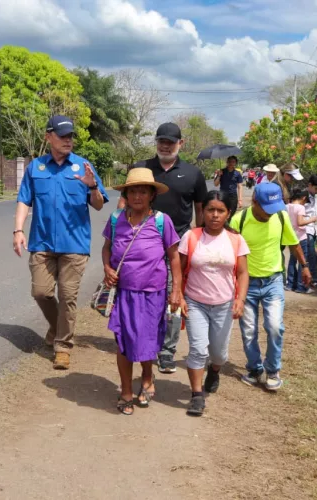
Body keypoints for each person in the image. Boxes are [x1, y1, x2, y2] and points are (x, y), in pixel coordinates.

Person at [13, 115, 108, 370]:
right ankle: (57, 328)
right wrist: (18, 230)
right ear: (49, 137)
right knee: (41, 292)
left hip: (75, 245)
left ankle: (63, 346)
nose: (68, 140)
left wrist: (92, 187)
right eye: (62, 136)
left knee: (67, 297)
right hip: (42, 242)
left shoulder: (82, 166)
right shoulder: (36, 168)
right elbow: (24, 200)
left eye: (70, 136)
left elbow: (99, 205)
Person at [117, 122, 208, 374]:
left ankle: (167, 351)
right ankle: (139, 339)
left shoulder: (193, 173)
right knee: (142, 297)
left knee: (172, 298)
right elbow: (123, 202)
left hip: (178, 245)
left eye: (170, 142)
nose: (165, 146)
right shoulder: (141, 168)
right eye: (161, 141)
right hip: (143, 244)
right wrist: (119, 229)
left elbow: (200, 208)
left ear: (181, 143)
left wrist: (199, 237)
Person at [102, 168, 182, 415]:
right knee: (123, 341)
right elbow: (106, 248)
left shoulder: (161, 221)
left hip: (152, 293)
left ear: (152, 195)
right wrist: (107, 268)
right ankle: (126, 391)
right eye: (133, 191)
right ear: (126, 195)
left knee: (147, 339)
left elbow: (174, 257)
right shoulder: (116, 219)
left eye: (143, 192)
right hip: (124, 293)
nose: (137, 196)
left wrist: (176, 291)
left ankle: (147, 377)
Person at [229, 183, 311, 391]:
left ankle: (273, 370)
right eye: (267, 209)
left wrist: (305, 266)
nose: (270, 213)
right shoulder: (239, 220)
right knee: (249, 330)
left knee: (274, 327)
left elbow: (293, 243)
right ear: (254, 202)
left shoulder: (280, 217)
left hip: (273, 281)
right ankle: (254, 369)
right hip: (246, 284)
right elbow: (230, 251)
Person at [179, 191, 250, 416]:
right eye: (210, 210)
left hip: (224, 304)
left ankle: (215, 370)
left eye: (221, 211)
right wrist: (178, 295)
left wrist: (240, 300)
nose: (215, 215)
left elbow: (242, 273)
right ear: (203, 212)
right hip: (195, 302)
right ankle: (197, 395)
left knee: (219, 354)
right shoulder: (191, 237)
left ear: (228, 213)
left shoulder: (236, 240)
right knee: (198, 349)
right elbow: (179, 269)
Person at [285, 189, 317, 293]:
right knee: (302, 262)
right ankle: (301, 286)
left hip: (291, 237)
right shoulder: (300, 207)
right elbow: (300, 222)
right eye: (306, 201)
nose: (305, 203)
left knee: (292, 260)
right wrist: (312, 219)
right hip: (301, 237)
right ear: (303, 198)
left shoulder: (287, 206)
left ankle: (290, 284)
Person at [303, 175, 317, 287]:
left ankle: (311, 278)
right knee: (310, 255)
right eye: (316, 188)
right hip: (307, 228)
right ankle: (313, 279)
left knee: (312, 255)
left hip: (313, 229)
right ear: (309, 185)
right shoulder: (303, 196)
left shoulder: (314, 195)